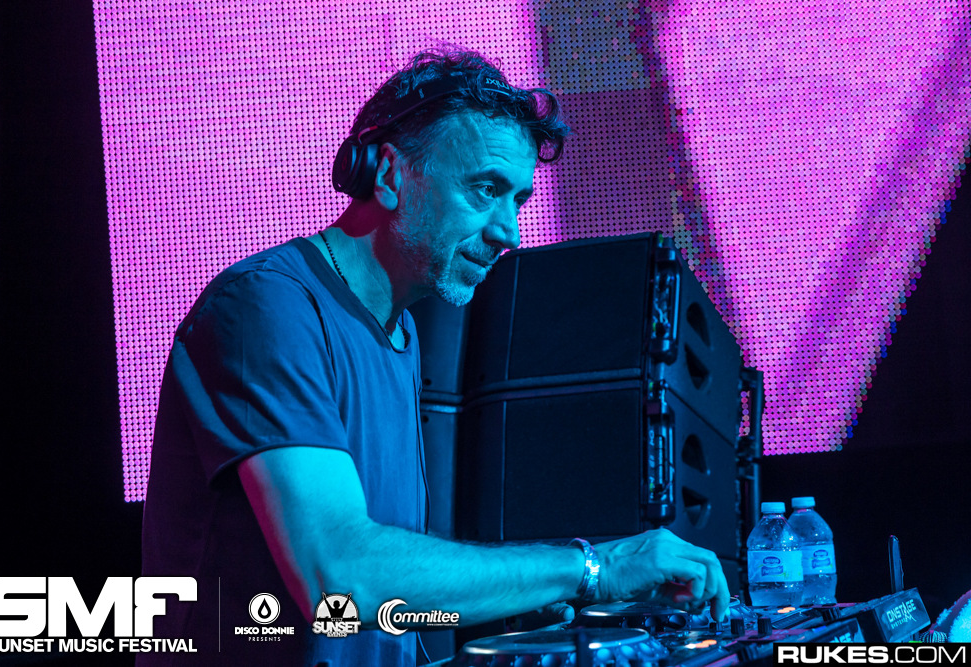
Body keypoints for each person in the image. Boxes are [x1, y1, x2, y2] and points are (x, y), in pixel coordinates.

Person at [140, 48, 730, 666]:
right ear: (389, 175)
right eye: (485, 189)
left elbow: (387, 608)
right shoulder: (268, 307)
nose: (509, 232)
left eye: (518, 201)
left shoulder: (402, 333)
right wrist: (592, 569)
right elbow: (338, 579)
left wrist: (524, 599)